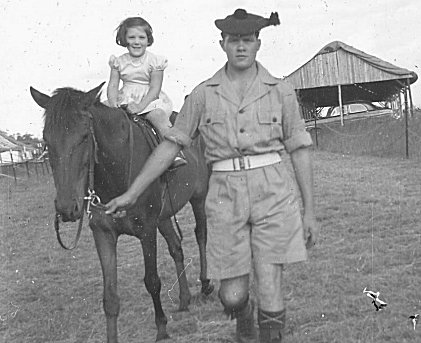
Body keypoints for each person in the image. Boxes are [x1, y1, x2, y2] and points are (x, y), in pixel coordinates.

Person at [105, 8, 320, 343]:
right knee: (232, 296)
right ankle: (243, 315)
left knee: (270, 282)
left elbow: (300, 148)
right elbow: (169, 146)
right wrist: (132, 192)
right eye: (234, 40)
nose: (241, 47)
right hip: (225, 196)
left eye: (248, 40)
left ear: (258, 43)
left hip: (273, 191)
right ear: (223, 43)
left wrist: (310, 210)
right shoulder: (204, 94)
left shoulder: (281, 90)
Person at [106, 16, 186, 169]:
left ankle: (173, 153)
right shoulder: (118, 62)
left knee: (158, 117)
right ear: (124, 39)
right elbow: (113, 85)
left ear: (148, 39)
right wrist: (113, 101)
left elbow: (155, 88)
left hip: (149, 99)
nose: (137, 42)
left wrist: (140, 106)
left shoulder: (155, 61)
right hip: (126, 97)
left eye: (142, 37)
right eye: (132, 37)